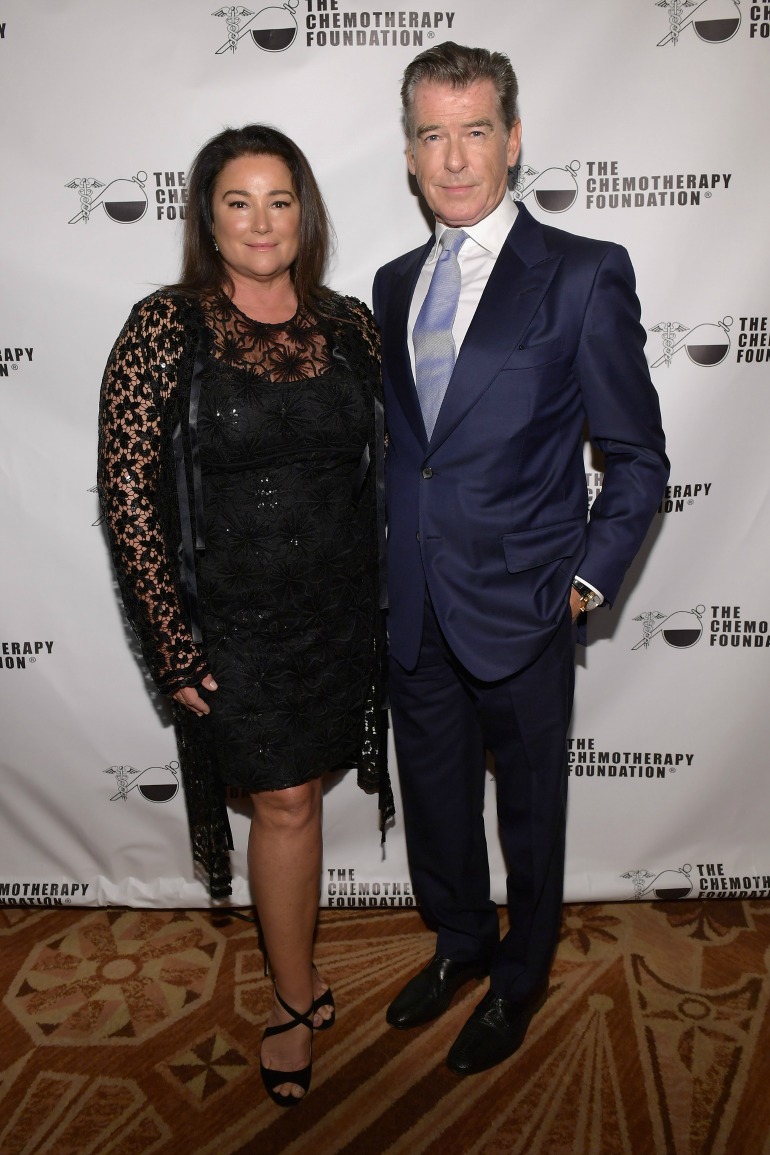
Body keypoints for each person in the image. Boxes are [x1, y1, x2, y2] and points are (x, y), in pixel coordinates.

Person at [373, 43, 669, 1075]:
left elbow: (634, 457)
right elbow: (411, 453)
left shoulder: (584, 272)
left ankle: (519, 974)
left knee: (530, 815)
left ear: (511, 137)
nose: (454, 158)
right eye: (430, 134)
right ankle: (460, 943)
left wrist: (583, 584)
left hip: (528, 604)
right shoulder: (391, 281)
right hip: (412, 609)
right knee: (438, 806)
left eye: (474, 130)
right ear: (408, 152)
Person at [98, 124, 391, 1107]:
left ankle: (293, 973)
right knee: (280, 802)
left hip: (338, 614)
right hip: (232, 624)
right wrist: (169, 643)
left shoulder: (349, 324)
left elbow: (394, 466)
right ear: (207, 218)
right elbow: (128, 496)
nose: (262, 221)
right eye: (238, 201)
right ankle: (294, 993)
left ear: (303, 212)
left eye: (279, 199)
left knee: (303, 799)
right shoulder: (163, 327)